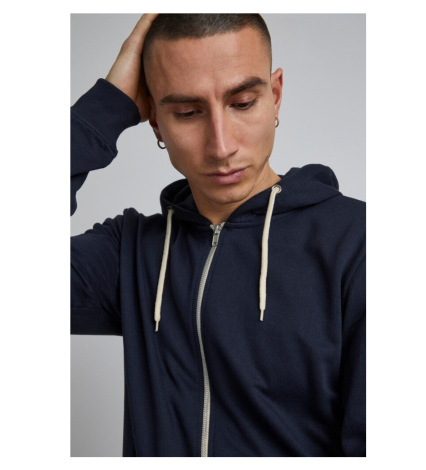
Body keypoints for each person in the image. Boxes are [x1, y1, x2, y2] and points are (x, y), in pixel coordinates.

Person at [71, 14, 366, 457]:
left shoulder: (360, 243)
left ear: (275, 96)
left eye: (243, 103)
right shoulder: (128, 256)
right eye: (187, 113)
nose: (222, 146)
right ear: (155, 122)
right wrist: (104, 109)